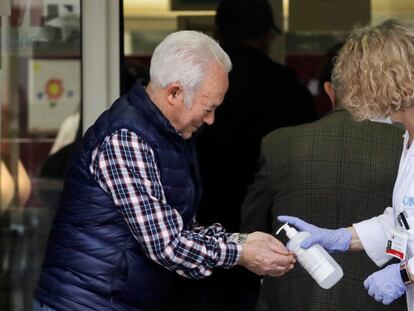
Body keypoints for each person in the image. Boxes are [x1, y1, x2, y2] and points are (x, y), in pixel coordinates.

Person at [33, 30, 295, 311]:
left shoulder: (166, 135)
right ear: (174, 93)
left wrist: (240, 240)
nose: (211, 119)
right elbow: (167, 245)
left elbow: (178, 227)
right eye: (208, 107)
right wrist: (242, 252)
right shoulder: (126, 138)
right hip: (87, 303)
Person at [168, 1, 316, 310]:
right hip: (270, 239)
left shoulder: (189, 88)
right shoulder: (288, 89)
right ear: (266, 38)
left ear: (218, 34)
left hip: (194, 236)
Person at [240, 41, 406, 310]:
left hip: (291, 299)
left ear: (329, 91)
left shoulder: (278, 144)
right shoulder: (402, 141)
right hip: (380, 300)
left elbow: (251, 231)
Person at [277, 19, 414, 309]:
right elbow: (405, 220)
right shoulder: (407, 139)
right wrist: (340, 237)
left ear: (385, 81)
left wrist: (405, 273)